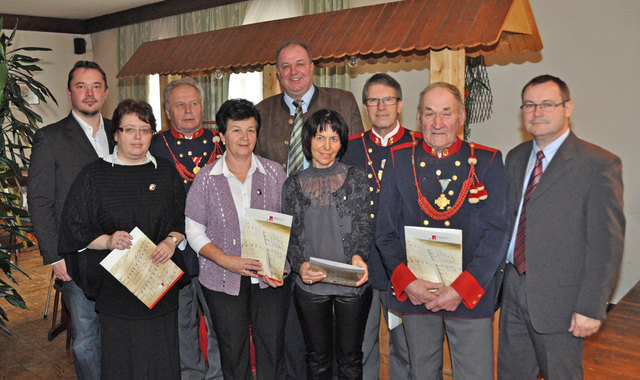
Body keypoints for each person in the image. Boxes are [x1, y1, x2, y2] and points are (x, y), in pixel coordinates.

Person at [376, 82, 509, 379]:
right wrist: (408, 283)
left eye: (446, 113)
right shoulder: (399, 160)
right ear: (418, 118)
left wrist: (460, 289)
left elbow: (497, 232)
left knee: (475, 374)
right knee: (421, 373)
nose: (437, 123)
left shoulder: (486, 161)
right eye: (429, 113)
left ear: (461, 116)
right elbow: (385, 232)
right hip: (416, 293)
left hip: (468, 293)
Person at [497, 75, 625, 379]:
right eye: (529, 105)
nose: (536, 112)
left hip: (561, 302)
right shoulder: (515, 158)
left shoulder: (598, 164)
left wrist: (592, 307)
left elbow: (606, 244)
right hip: (513, 289)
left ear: (567, 107)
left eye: (546, 104)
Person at [255, 40, 365, 380]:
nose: (293, 72)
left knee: (348, 350)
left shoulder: (342, 101)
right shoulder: (263, 110)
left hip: (338, 234)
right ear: (277, 73)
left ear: (313, 66)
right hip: (286, 232)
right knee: (295, 333)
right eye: (285, 67)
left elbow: (358, 163)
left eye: (299, 64)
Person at [58, 99, 187, 379]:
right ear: (115, 134)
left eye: (144, 129)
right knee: (121, 362)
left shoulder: (165, 172)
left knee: (161, 359)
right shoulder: (94, 175)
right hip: (116, 289)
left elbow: (182, 220)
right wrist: (107, 240)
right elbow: (73, 228)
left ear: (153, 132)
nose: (137, 137)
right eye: (129, 130)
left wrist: (171, 241)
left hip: (159, 288)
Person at [185, 99, 290, 380]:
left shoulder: (275, 173)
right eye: (236, 130)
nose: (244, 138)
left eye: (251, 130)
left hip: (270, 277)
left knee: (272, 347)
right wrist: (225, 261)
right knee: (233, 352)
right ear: (221, 135)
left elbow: (291, 222)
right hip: (222, 276)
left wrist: (280, 259)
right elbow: (194, 230)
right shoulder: (206, 179)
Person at [28, 60, 111, 380]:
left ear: (105, 92)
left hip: (122, 252)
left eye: (95, 86)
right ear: (69, 92)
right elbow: (40, 201)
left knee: (117, 330)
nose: (89, 94)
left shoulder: (122, 132)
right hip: (75, 257)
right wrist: (54, 256)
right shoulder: (50, 138)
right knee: (87, 338)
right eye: (81, 86)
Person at [282, 109, 373, 380]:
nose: (327, 146)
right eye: (320, 138)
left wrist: (359, 255)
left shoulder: (356, 177)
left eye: (334, 139)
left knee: (351, 359)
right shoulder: (293, 185)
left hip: (351, 283)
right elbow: (290, 235)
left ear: (342, 142)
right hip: (311, 283)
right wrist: (300, 265)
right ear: (308, 140)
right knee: (317, 359)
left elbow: (365, 225)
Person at [150, 77, 224, 380]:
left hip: (217, 251)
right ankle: (191, 375)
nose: (188, 110)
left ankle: (219, 375)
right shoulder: (155, 145)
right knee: (182, 323)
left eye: (194, 103)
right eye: (180, 105)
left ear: (202, 106)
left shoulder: (221, 141)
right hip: (174, 252)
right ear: (169, 111)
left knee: (221, 321)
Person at [341, 73, 414, 380]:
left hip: (404, 267)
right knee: (360, 347)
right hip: (360, 266)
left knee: (406, 349)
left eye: (387, 100)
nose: (380, 106)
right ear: (365, 106)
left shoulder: (417, 145)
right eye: (373, 100)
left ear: (399, 105)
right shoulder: (349, 148)